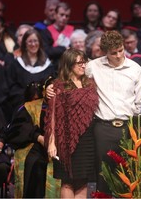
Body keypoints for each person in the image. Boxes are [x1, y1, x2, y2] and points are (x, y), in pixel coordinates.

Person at [46, 31, 141, 194]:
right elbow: (68, 78)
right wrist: (49, 87)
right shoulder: (93, 66)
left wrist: (137, 128)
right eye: (113, 53)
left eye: (121, 50)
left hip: (128, 127)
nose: (119, 55)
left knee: (129, 176)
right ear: (104, 52)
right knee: (103, 176)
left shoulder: (135, 69)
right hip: (102, 128)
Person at [44, 48, 99, 198]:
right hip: (65, 140)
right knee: (67, 181)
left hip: (87, 139)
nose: (83, 65)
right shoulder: (59, 86)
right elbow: (53, 117)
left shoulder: (90, 84)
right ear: (69, 65)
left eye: (84, 62)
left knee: (83, 181)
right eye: (79, 63)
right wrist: (52, 142)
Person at [2, 81, 61, 198]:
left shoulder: (63, 106)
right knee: (34, 163)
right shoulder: (27, 107)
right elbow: (18, 129)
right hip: (32, 146)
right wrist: (38, 137)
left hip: (58, 147)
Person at [6, 29, 55, 117]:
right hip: (22, 108)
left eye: (35, 41)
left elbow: (51, 85)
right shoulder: (16, 64)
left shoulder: (48, 65)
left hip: (45, 108)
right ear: (24, 43)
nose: (33, 44)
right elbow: (12, 88)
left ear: (39, 43)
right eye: (30, 41)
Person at [41, 2, 74, 69]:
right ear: (55, 15)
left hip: (70, 66)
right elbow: (46, 52)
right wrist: (65, 48)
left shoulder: (73, 31)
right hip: (52, 67)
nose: (64, 18)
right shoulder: (45, 32)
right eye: (61, 15)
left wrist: (55, 49)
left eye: (67, 16)